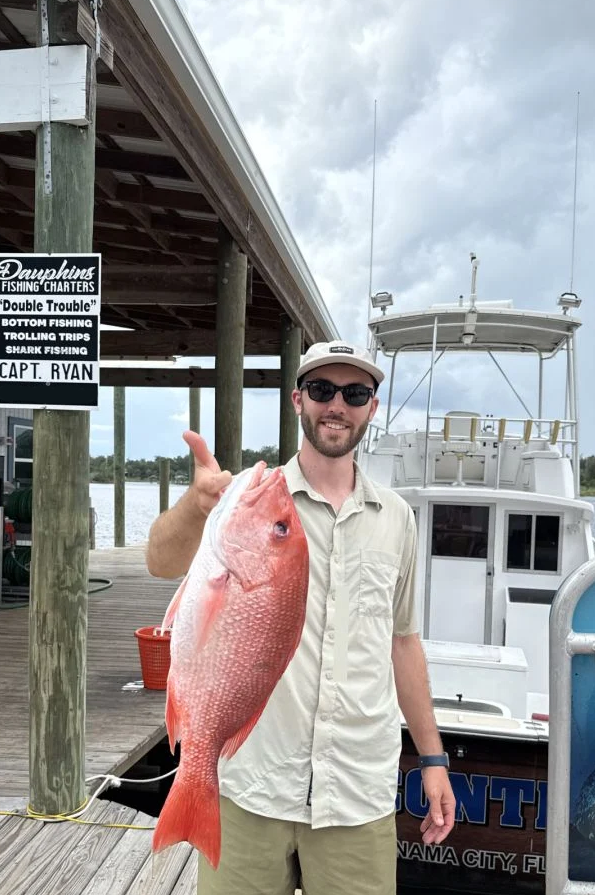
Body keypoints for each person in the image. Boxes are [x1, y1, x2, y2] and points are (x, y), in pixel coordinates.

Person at [146, 339, 456, 895]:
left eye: (355, 392)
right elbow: (159, 561)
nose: (337, 405)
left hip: (356, 791)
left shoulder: (398, 519)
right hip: (249, 783)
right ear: (298, 400)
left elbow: (403, 641)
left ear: (372, 408)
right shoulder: (246, 498)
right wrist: (194, 507)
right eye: (322, 389)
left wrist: (432, 756)